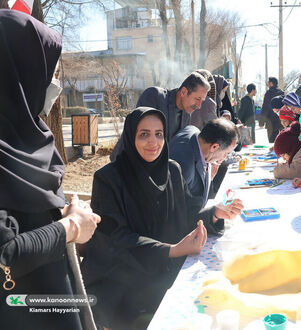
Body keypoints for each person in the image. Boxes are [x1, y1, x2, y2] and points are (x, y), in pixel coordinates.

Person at [81, 108, 243, 330]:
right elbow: (115, 240)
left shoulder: (171, 170)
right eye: (144, 134)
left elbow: (185, 215)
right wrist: (172, 250)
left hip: (162, 272)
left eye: (159, 134)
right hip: (122, 283)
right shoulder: (109, 179)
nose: (153, 142)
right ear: (130, 136)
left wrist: (215, 213)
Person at [0, 10, 101, 329]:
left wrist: (70, 220)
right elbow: (5, 258)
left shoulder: (33, 140)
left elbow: (33, 225)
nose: (55, 83)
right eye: (49, 72)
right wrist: (70, 226)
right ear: (18, 72)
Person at [110, 72, 211, 162]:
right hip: (126, 163)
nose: (199, 106)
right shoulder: (155, 96)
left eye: (201, 100)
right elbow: (141, 135)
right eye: (197, 99)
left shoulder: (186, 114)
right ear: (183, 92)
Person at [169, 118, 239, 207]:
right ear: (214, 147)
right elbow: (178, 210)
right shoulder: (184, 167)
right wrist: (214, 214)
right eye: (226, 153)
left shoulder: (194, 131)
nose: (224, 158)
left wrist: (209, 176)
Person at [261, 77, 284, 142]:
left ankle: (273, 151)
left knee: (272, 139)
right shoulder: (281, 92)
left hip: (271, 120)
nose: (268, 84)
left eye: (268, 82)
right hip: (281, 119)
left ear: (271, 83)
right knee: (281, 138)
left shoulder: (268, 93)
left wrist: (261, 121)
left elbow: (265, 107)